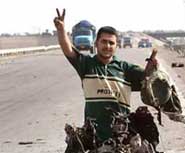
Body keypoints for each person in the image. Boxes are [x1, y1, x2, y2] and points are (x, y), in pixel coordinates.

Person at [54, 9, 156, 141]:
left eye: (111, 43)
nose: (107, 46)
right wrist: (61, 30)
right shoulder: (86, 65)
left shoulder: (126, 68)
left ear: (116, 46)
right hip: (93, 137)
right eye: (103, 41)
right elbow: (68, 50)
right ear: (96, 43)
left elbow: (148, 80)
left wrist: (152, 67)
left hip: (121, 136)